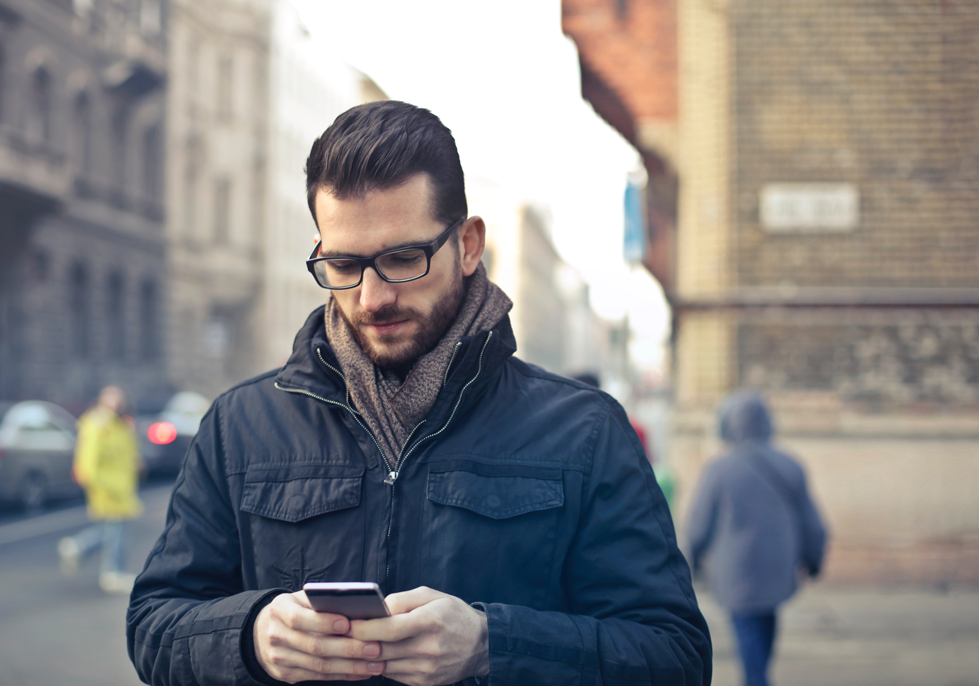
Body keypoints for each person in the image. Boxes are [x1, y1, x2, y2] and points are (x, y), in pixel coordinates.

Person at [126, 100, 711, 686]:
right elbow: (153, 626)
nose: (372, 297)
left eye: (403, 258)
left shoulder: (585, 430)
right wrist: (251, 636)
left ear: (469, 244)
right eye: (344, 264)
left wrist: (491, 645)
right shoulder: (239, 423)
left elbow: (674, 657)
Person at [686, 391, 827, 686]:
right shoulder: (789, 464)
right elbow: (812, 521)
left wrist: (691, 559)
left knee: (747, 627)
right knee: (765, 620)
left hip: (736, 569)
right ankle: (759, 676)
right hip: (777, 564)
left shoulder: (719, 468)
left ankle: (757, 679)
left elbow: (699, 523)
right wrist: (814, 558)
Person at [59, 385, 143, 594]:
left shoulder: (120, 423)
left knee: (114, 529)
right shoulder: (98, 424)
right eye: (112, 398)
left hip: (121, 485)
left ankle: (78, 547)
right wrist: (97, 482)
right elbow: (88, 462)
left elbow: (128, 453)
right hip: (108, 486)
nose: (116, 403)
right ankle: (113, 572)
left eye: (119, 399)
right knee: (116, 529)